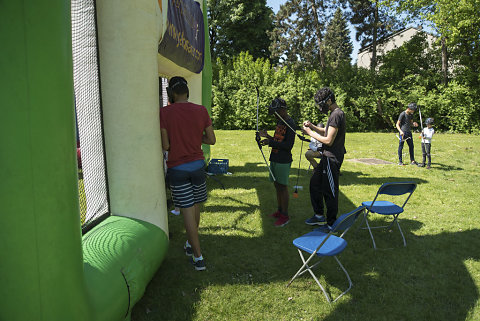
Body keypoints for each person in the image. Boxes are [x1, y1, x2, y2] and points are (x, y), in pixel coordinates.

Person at [159, 76, 216, 271]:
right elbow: (211, 139)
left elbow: (166, 145)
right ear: (187, 91)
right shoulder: (201, 110)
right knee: (195, 206)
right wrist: (194, 137)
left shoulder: (164, 113)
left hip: (178, 169)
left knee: (187, 212)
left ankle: (198, 257)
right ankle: (191, 245)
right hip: (198, 166)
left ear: (172, 93)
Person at [302, 87, 346, 230]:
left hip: (332, 158)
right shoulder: (333, 114)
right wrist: (312, 127)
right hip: (326, 158)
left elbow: (328, 140)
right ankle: (319, 216)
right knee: (315, 184)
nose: (320, 107)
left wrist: (309, 133)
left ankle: (331, 223)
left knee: (330, 191)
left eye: (321, 103)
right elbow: (326, 131)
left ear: (329, 100)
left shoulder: (336, 115)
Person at [258, 98, 296, 227]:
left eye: (276, 112)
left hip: (283, 160)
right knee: (277, 186)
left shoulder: (290, 123)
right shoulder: (280, 121)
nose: (274, 115)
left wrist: (271, 142)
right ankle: (279, 211)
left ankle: (285, 216)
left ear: (283, 110)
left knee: (283, 187)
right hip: (275, 157)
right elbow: (278, 140)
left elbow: (288, 145)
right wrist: (267, 137)